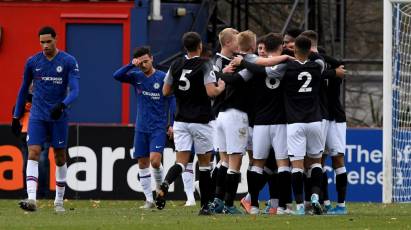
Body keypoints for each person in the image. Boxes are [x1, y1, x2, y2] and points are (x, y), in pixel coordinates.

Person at [12, 26, 80, 212]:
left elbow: (75, 90)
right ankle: (32, 199)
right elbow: (23, 89)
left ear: (55, 40)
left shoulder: (68, 61)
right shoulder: (32, 62)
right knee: (33, 152)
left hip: (58, 116)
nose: (45, 45)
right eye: (42, 42)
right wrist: (16, 115)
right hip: (37, 116)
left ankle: (58, 201)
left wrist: (63, 105)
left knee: (59, 157)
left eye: (48, 41)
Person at [157, 31, 225, 215]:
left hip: (181, 121)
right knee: (204, 165)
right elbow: (211, 92)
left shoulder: (176, 64)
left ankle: (165, 183)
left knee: (181, 162)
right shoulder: (205, 64)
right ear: (200, 46)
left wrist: (182, 94)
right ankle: (204, 207)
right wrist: (221, 87)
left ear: (185, 47)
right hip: (202, 120)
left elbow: (165, 91)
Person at [113, 46, 173, 209]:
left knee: (155, 161)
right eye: (141, 63)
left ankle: (161, 192)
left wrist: (172, 124)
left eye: (146, 61)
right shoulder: (136, 76)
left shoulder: (163, 77)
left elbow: (172, 101)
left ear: (152, 59)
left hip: (158, 127)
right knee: (142, 163)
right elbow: (116, 76)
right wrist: (131, 65)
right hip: (141, 128)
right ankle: (149, 200)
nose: (144, 65)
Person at [208, 27, 239, 214]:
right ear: (228, 43)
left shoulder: (232, 60)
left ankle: (217, 199)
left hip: (227, 115)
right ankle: (223, 201)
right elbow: (212, 86)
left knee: (224, 161)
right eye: (236, 39)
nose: (239, 42)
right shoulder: (218, 62)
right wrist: (224, 74)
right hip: (223, 114)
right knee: (228, 160)